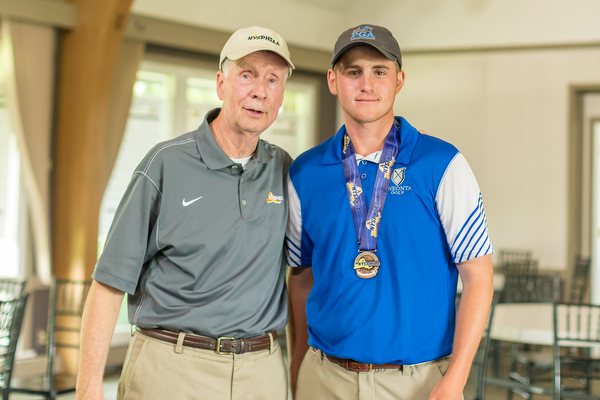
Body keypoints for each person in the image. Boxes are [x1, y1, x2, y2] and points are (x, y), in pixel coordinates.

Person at [76, 26, 295, 400]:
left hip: (262, 374)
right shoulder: (165, 164)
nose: (260, 90)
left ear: (281, 95)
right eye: (247, 75)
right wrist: (87, 389)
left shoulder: (284, 169)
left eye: (272, 79)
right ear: (221, 84)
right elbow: (109, 282)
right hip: (172, 369)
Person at [286, 24, 494, 400]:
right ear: (333, 81)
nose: (366, 84)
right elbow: (301, 278)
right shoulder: (304, 172)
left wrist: (457, 378)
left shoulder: (443, 164)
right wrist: (297, 368)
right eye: (354, 72)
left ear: (399, 80)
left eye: (379, 71)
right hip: (324, 378)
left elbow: (478, 276)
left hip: (416, 382)